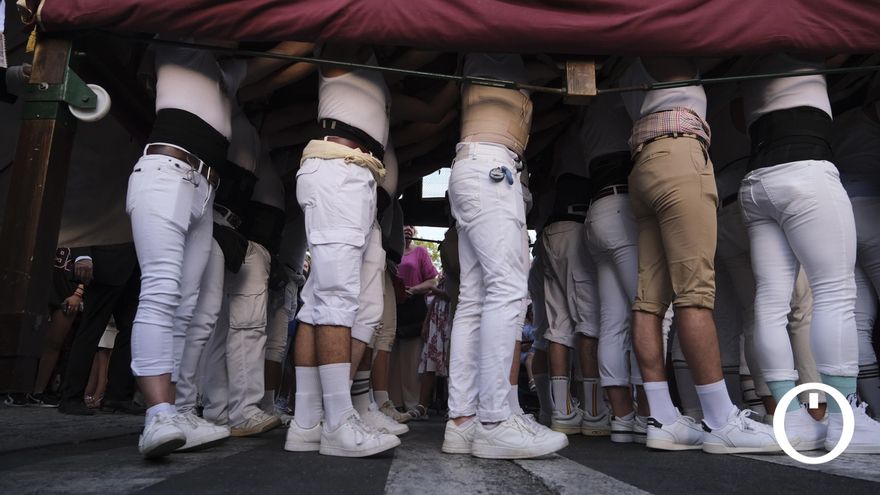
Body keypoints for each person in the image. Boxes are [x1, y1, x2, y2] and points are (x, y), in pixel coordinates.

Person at [620, 57, 778, 453]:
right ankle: (721, 419)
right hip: (679, 152)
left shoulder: (623, 63)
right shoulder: (665, 37)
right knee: (694, 292)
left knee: (649, 299)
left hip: (644, 162)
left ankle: (661, 417)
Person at [740, 54, 880, 452]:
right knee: (835, 292)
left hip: (756, 179)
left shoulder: (742, 54)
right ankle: (843, 417)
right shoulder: (807, 33)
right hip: (805, 168)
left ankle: (791, 418)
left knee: (770, 303)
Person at [443, 53, 567, 459]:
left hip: (475, 165)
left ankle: (464, 421)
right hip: (491, 168)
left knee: (475, 299)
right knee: (507, 291)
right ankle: (496, 419)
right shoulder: (503, 41)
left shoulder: (488, 51)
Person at [284, 43, 399, 457]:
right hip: (339, 167)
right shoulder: (344, 38)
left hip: (354, 172)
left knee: (319, 302)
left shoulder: (369, 64)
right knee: (334, 300)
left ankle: (307, 422)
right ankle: (337, 422)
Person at [126, 40, 237, 458]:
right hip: (166, 171)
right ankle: (157, 415)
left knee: (186, 306)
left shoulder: (225, 72)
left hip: (203, 190)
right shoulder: (176, 36)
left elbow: (275, 61)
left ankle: (175, 410)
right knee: (161, 292)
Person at [582, 92, 651, 443]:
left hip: (595, 210)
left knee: (612, 321)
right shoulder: (623, 100)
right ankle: (649, 413)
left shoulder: (588, 117)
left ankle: (623, 416)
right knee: (648, 308)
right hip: (623, 203)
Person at [833, 93, 880, 417]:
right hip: (871, 206)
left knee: (859, 320)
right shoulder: (870, 109)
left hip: (839, 212)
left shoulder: (832, 113)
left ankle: (876, 409)